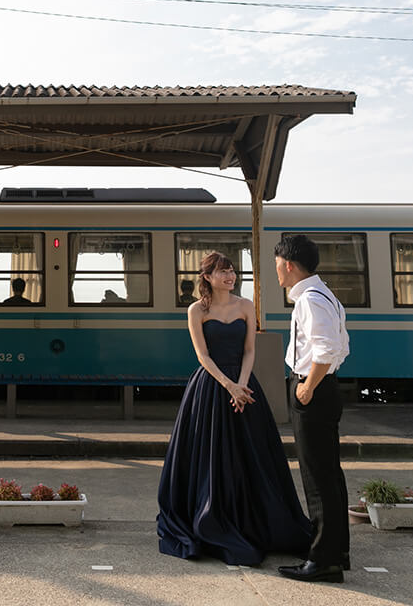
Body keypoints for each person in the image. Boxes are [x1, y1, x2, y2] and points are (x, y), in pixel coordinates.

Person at [157, 252, 312, 565]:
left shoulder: (245, 305)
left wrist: (242, 385)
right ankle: (210, 517)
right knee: (209, 455)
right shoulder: (196, 310)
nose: (230, 276)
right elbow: (202, 356)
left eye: (231, 271)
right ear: (208, 277)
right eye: (222, 272)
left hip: (243, 385)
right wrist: (229, 386)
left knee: (252, 455)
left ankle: (255, 520)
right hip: (211, 386)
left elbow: (250, 350)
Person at [275, 234, 351, 583]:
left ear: (289, 264)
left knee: (317, 479)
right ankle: (336, 552)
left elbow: (326, 347)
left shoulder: (309, 299)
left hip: (313, 389)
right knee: (329, 475)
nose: (276, 270)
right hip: (324, 388)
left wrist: (306, 386)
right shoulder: (325, 295)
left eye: (277, 263)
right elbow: (342, 347)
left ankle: (322, 560)